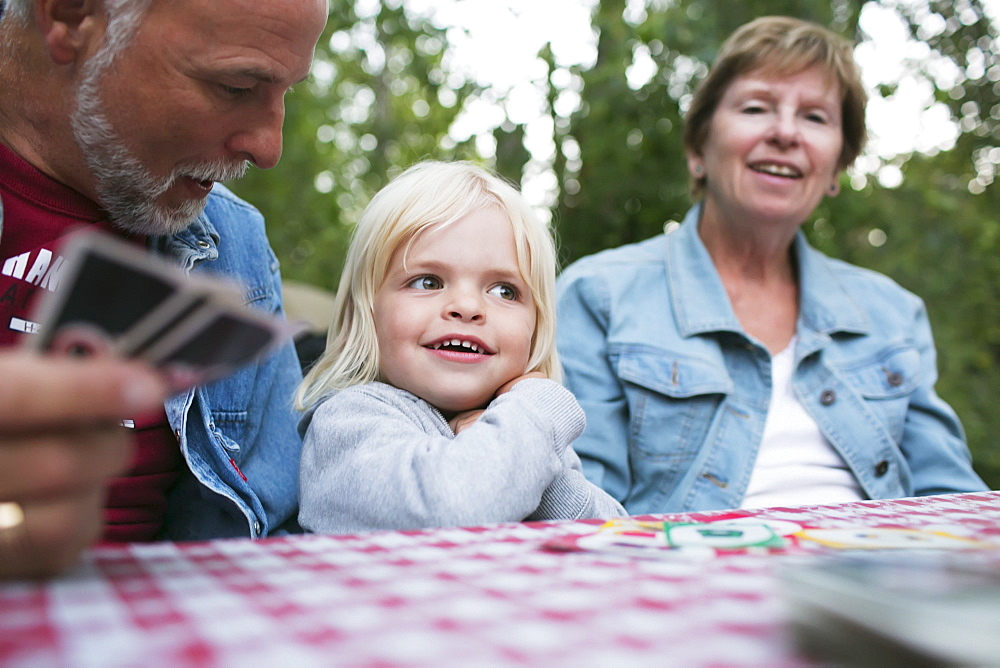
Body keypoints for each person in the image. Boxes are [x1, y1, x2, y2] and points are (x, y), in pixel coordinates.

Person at [556, 16, 988, 515]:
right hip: (685, 577)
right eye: (756, 107)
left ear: (836, 168)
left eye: (815, 117)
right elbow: (582, 511)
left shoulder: (893, 312)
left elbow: (955, 500)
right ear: (699, 149)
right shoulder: (597, 296)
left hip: (879, 581)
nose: (785, 132)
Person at [0, 0, 328, 576]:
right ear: (71, 17)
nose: (268, 148)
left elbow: (273, 529)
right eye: (235, 86)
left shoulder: (236, 244)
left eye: (287, 92)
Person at [296, 161, 626, 533]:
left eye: (504, 290)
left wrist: (541, 469)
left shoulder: (521, 426)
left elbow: (611, 534)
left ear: (536, 329)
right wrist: (538, 401)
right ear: (366, 312)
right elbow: (454, 507)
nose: (467, 307)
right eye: (428, 282)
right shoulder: (347, 423)